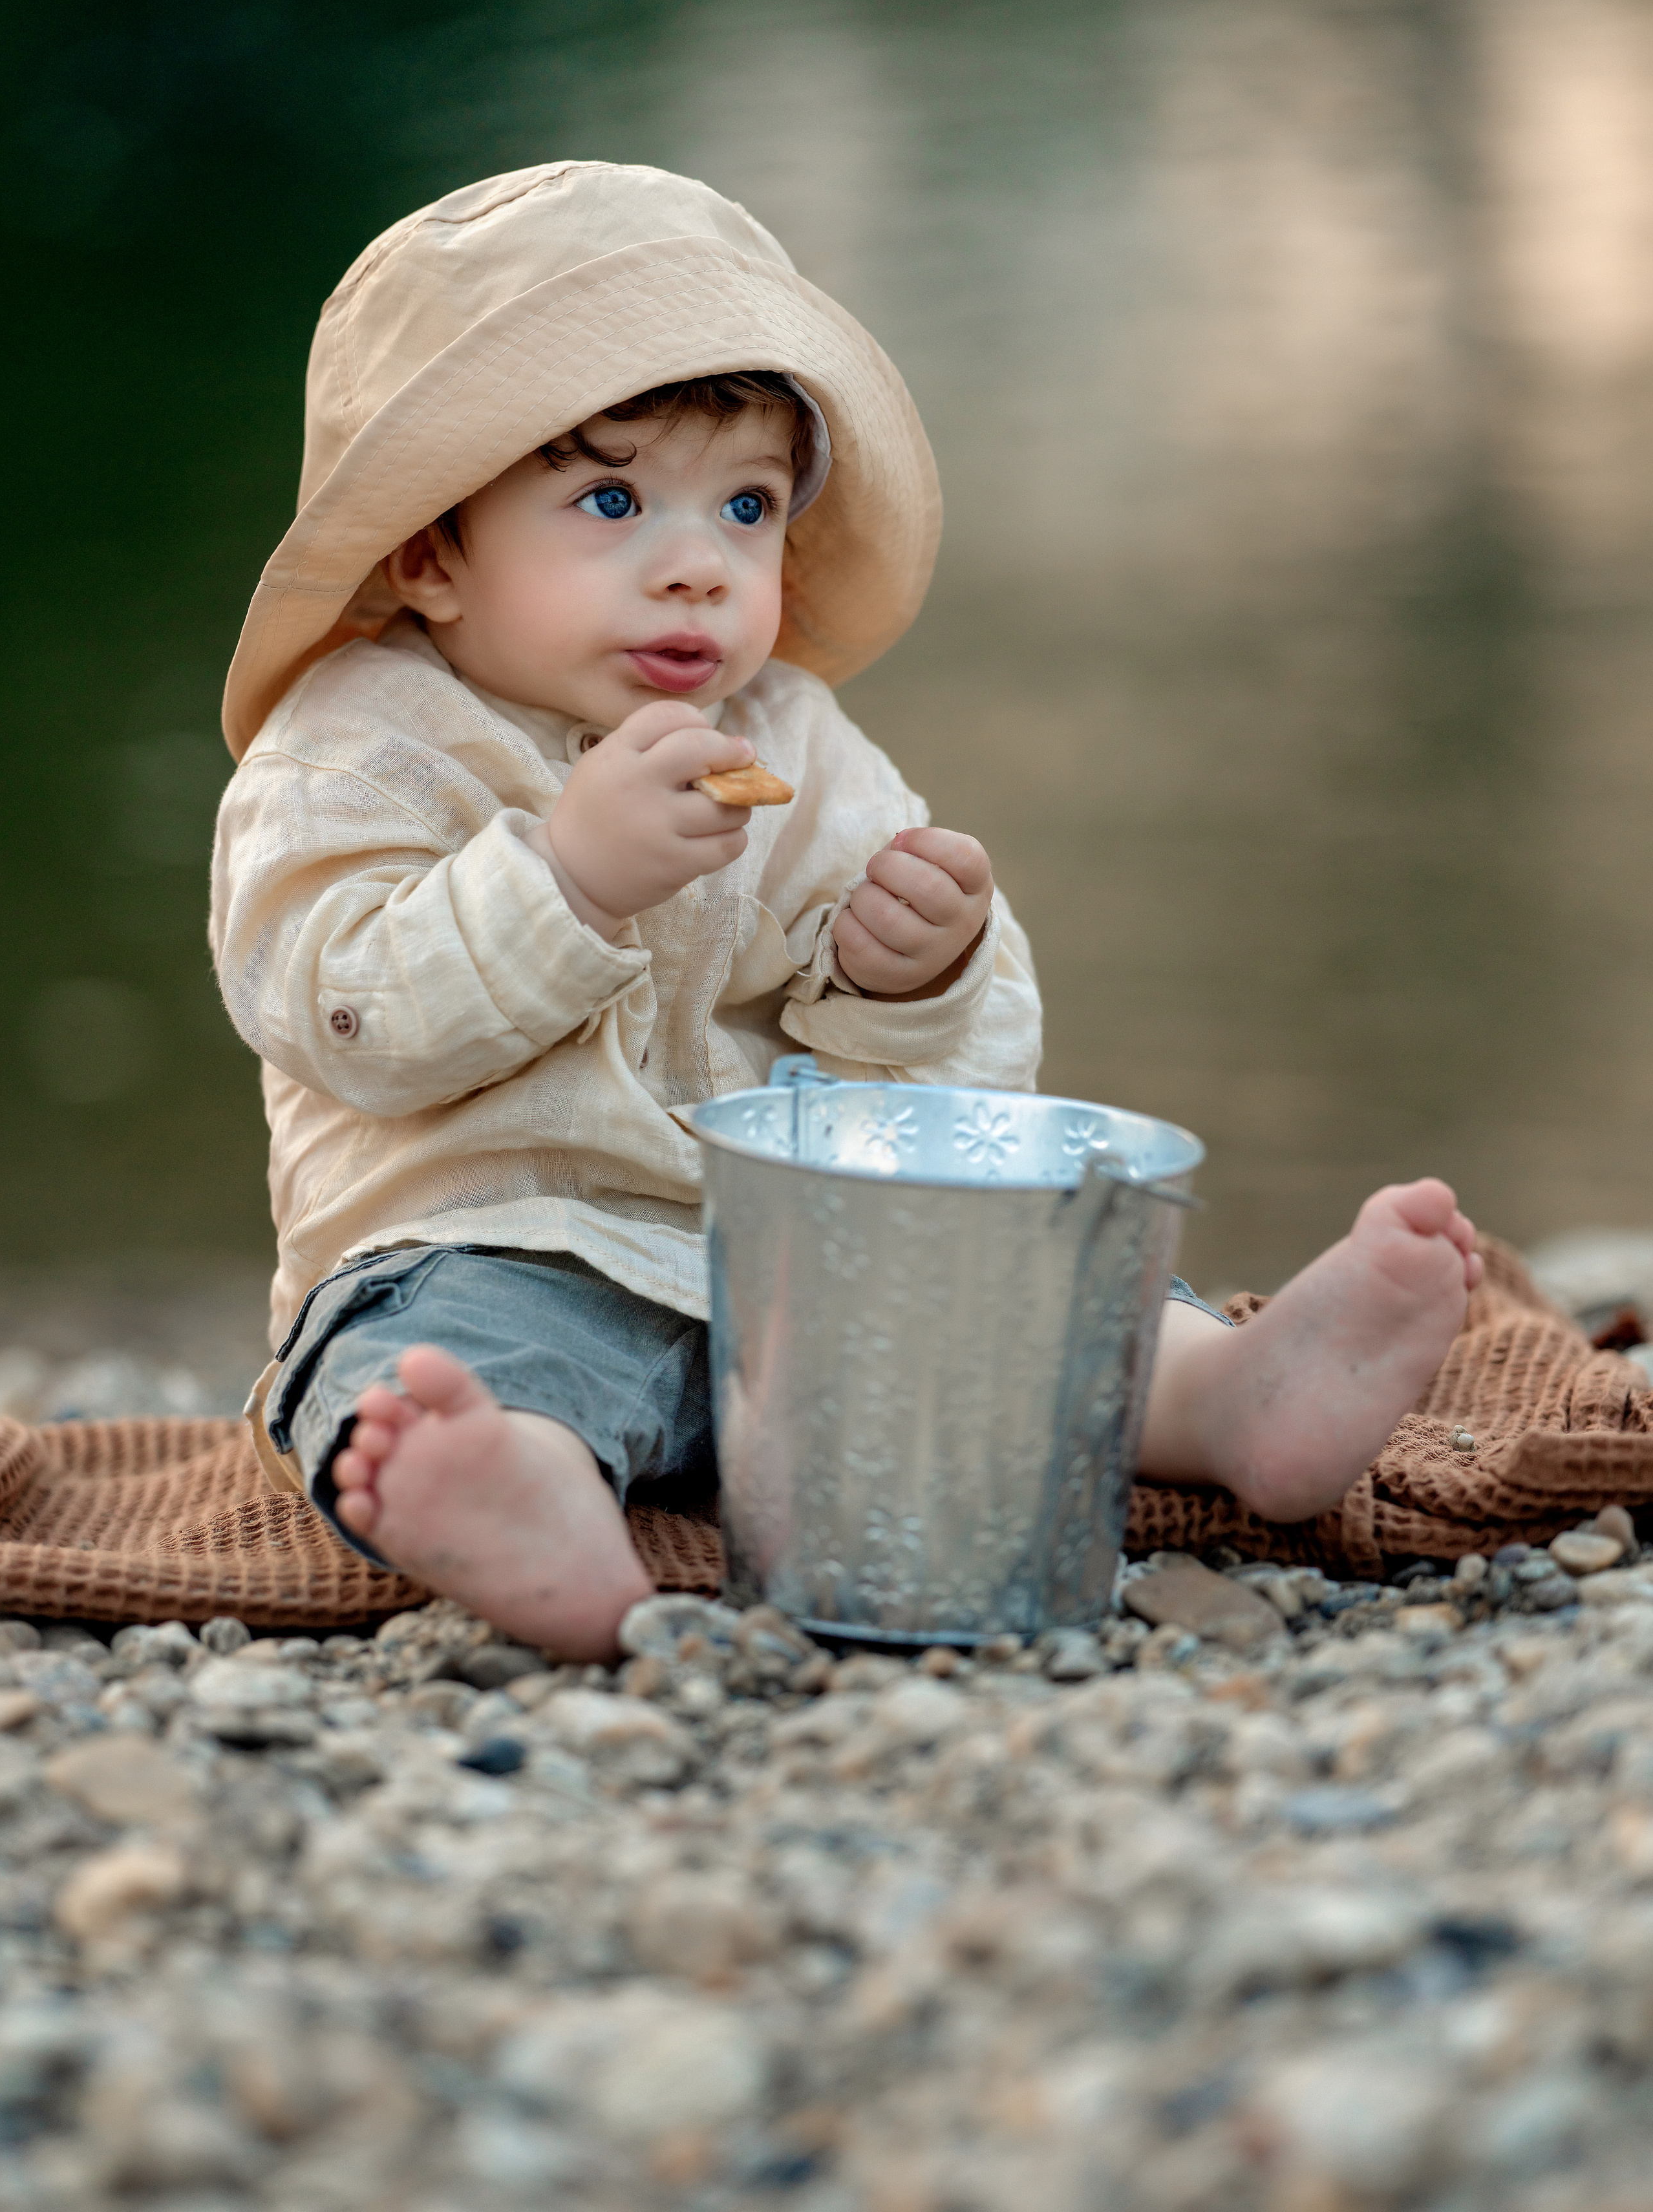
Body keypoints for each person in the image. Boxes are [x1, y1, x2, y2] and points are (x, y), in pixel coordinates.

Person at [214, 161, 1482, 1659]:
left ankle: (1230, 1396)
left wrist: (912, 969)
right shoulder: (359, 743)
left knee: (1007, 1282)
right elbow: (335, 1008)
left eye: (743, 505)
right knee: (432, 1378)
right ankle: (521, 1499)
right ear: (431, 548)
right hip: (494, 1245)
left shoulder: (793, 739)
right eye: (610, 500)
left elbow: (951, 1081)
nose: (694, 567)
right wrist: (564, 878)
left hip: (794, 1254)